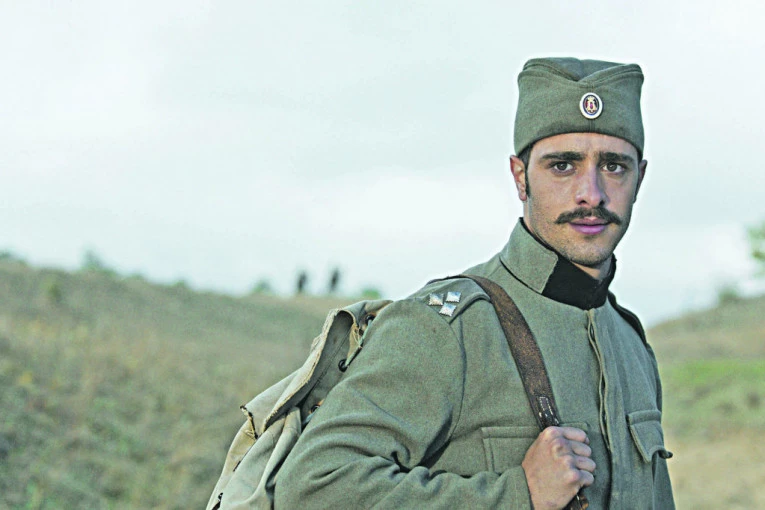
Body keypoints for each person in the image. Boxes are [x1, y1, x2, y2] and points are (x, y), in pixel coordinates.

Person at [276, 57, 674, 509]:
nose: (592, 193)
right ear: (521, 177)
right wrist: (517, 494)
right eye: (563, 166)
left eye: (614, 167)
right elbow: (314, 486)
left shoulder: (629, 341)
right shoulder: (446, 327)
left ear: (640, 178)